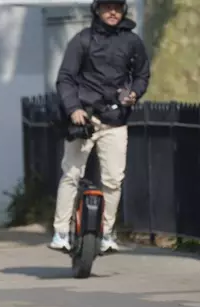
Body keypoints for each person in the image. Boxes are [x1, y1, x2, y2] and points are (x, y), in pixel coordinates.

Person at [50, 0, 150, 253]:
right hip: (84, 119)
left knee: (114, 180)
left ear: (124, 10)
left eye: (117, 7)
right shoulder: (82, 40)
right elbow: (65, 78)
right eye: (107, 7)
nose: (112, 12)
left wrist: (135, 93)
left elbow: (142, 74)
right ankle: (60, 231)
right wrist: (74, 109)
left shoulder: (132, 41)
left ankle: (107, 233)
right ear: (97, 10)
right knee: (71, 174)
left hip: (116, 120)